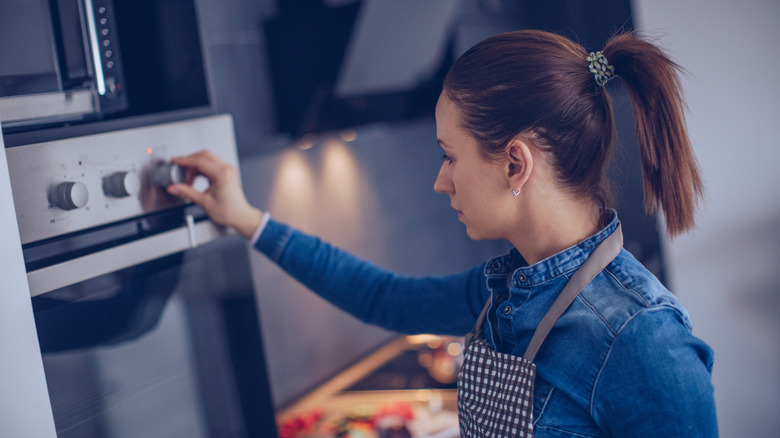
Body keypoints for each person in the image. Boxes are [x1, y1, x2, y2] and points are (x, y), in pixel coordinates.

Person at [168, 30, 717, 437]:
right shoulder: (507, 290)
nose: (440, 181)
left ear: (515, 164)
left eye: (450, 157)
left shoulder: (642, 341)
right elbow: (383, 297)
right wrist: (246, 219)